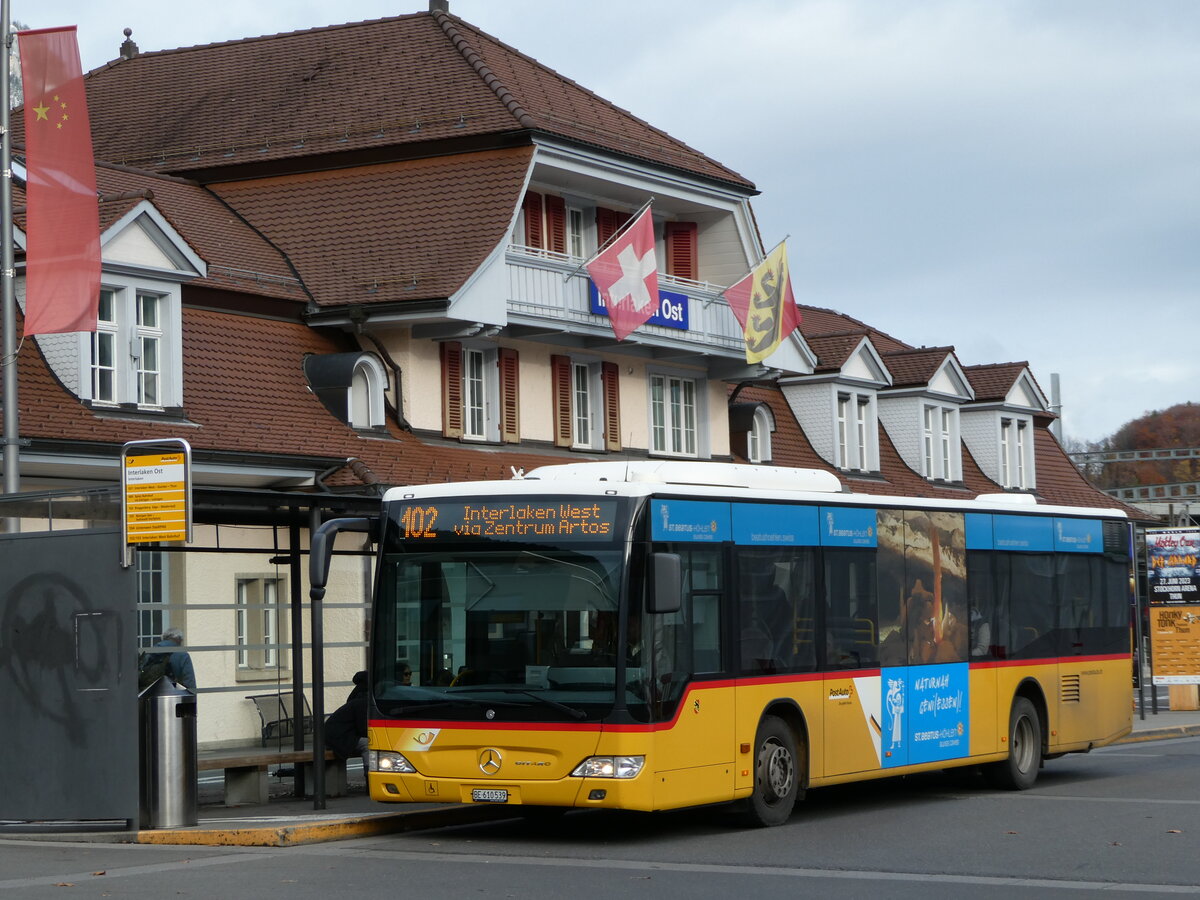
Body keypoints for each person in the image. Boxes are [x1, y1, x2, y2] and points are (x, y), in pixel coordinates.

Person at [324, 670, 369, 767]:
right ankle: (369, 772)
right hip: (339, 738)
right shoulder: (363, 700)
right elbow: (362, 728)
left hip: (336, 736)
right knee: (369, 744)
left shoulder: (357, 694)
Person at [145, 626, 197, 692]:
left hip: (152, 694)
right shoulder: (182, 655)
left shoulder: (151, 652)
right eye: (181, 640)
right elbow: (189, 682)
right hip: (175, 695)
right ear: (178, 639)